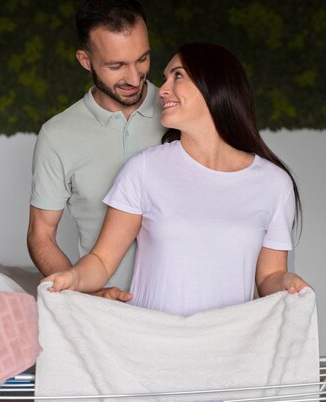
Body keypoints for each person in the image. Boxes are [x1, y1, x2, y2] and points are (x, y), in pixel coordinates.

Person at [44, 42, 311, 316]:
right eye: (165, 78)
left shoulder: (274, 184)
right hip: (152, 343)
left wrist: (288, 283)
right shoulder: (144, 168)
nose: (164, 90)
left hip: (228, 348)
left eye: (178, 75)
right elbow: (102, 260)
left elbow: (269, 277)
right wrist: (74, 278)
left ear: (215, 84)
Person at [27, 0, 165, 294]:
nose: (133, 77)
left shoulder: (181, 114)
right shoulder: (57, 135)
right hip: (104, 313)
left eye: (142, 59)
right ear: (85, 60)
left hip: (184, 312)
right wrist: (86, 294)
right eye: (116, 66)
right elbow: (42, 235)